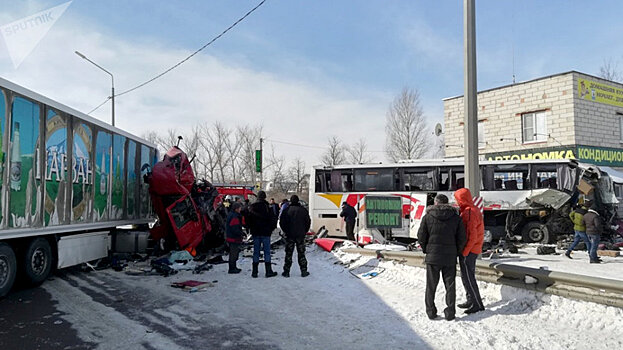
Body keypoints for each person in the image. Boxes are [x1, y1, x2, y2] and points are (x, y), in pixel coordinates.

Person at [417, 194, 466, 321]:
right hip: (449, 257)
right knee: (450, 285)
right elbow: (462, 238)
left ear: (435, 203)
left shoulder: (427, 217)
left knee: (431, 285)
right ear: (447, 203)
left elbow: (421, 236)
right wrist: (456, 251)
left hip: (433, 256)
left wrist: (426, 250)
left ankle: (431, 311)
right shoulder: (456, 218)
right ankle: (450, 312)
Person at [454, 188, 485, 314]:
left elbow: (472, 235)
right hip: (472, 248)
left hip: (470, 250)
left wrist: (465, 251)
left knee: (468, 277)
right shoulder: (471, 210)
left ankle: (477, 304)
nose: (456, 201)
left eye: (457, 199)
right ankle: (470, 299)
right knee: (465, 276)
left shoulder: (469, 212)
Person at [244, 190, 278, 277]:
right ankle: (268, 271)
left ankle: (254, 272)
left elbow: (248, 219)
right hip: (266, 232)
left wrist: (250, 228)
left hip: (255, 232)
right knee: (267, 252)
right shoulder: (268, 207)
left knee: (256, 252)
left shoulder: (252, 207)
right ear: (264, 197)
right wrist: (271, 229)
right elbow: (273, 219)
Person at [279, 195, 311, 277]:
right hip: (300, 235)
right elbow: (308, 222)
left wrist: (286, 231)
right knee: (301, 253)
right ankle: (304, 271)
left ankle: (286, 271)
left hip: (290, 235)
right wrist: (304, 231)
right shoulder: (303, 210)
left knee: (289, 254)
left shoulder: (286, 210)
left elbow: (282, 222)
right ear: (298, 201)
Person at [225, 202, 244, 274]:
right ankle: (232, 268)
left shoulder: (231, 214)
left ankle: (233, 267)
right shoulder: (234, 216)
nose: (240, 209)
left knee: (233, 253)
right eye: (239, 208)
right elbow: (235, 228)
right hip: (233, 238)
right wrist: (241, 233)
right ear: (236, 209)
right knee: (234, 253)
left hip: (231, 237)